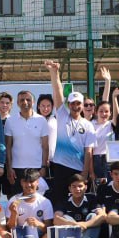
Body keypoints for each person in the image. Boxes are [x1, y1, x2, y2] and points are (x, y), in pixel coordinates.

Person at [44, 60, 95, 210]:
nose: (75, 106)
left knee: (78, 203)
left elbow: (88, 151)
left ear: (82, 105)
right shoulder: (62, 115)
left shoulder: (88, 125)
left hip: (78, 169)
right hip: (60, 167)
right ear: (68, 104)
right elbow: (57, 91)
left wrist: (84, 173)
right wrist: (55, 72)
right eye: (72, 103)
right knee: (59, 202)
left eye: (78, 103)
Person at [54, 172, 107, 238]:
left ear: (85, 187)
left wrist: (85, 224)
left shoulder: (92, 198)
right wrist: (75, 224)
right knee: (65, 217)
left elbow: (102, 216)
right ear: (69, 188)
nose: (77, 189)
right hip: (73, 234)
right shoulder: (63, 201)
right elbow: (56, 219)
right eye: (74, 186)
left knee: (93, 215)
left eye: (80, 186)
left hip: (88, 228)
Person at [4, 90, 50, 190]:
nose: (25, 102)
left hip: (36, 168)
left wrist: (43, 167)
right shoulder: (10, 120)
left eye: (28, 100)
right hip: (16, 169)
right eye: (22, 100)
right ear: (17, 103)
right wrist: (9, 168)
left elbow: (45, 146)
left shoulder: (41, 120)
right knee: (17, 200)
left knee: (36, 200)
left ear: (33, 102)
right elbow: (8, 146)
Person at [6, 169, 54, 238]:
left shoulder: (45, 202)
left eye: (31, 181)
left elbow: (48, 229)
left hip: (38, 237)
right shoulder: (13, 200)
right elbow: (10, 228)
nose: (28, 185)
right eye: (25, 181)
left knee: (52, 235)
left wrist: (39, 224)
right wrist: (13, 214)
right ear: (21, 182)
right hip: (19, 236)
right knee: (3, 235)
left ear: (37, 182)